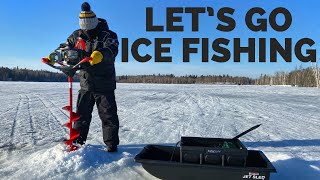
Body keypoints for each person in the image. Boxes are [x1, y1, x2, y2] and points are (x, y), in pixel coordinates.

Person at [48, 2, 120, 152]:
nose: (86, 29)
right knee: (81, 115)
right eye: (83, 26)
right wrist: (54, 55)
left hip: (104, 83)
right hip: (86, 82)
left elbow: (112, 49)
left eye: (89, 26)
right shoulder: (76, 35)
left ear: (94, 22)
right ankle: (78, 142)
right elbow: (65, 47)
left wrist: (100, 54)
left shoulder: (108, 35)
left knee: (108, 116)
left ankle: (112, 145)